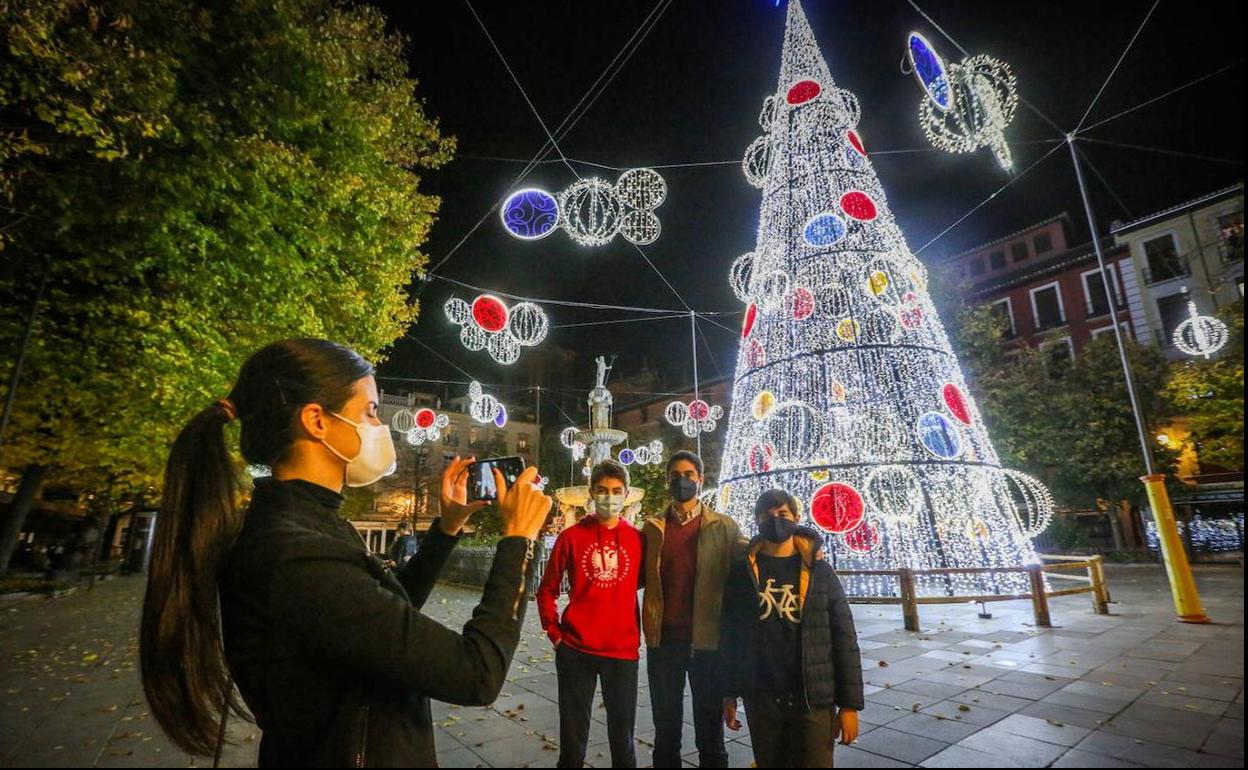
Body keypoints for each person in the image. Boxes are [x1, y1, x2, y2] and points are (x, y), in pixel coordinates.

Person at [139, 338, 552, 767]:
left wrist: (447, 528)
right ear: (317, 420)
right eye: (371, 412)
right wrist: (518, 539)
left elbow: (385, 615)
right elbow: (475, 673)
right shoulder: (296, 555)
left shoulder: (303, 526)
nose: (380, 426)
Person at [720, 489, 864, 768]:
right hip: (762, 693)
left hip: (812, 693)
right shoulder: (743, 572)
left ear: (796, 518)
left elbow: (844, 637)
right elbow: (731, 635)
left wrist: (849, 705)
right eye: (767, 516)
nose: (775, 520)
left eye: (783, 514)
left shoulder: (819, 570)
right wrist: (729, 692)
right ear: (757, 521)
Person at [537, 459, 644, 768]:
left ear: (625, 494)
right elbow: (547, 589)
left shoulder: (638, 540)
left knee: (622, 740)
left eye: (616, 491)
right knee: (572, 741)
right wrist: (554, 633)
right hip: (576, 650)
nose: (609, 497)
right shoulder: (571, 538)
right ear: (591, 493)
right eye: (602, 490)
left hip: (622, 653)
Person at [641, 450, 745, 768]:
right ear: (667, 480)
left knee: (710, 734)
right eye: (675, 475)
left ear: (701, 480)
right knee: (666, 732)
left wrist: (801, 544)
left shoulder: (724, 527)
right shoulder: (653, 528)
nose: (682, 481)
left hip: (707, 645)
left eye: (689, 475)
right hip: (665, 643)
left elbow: (754, 556)